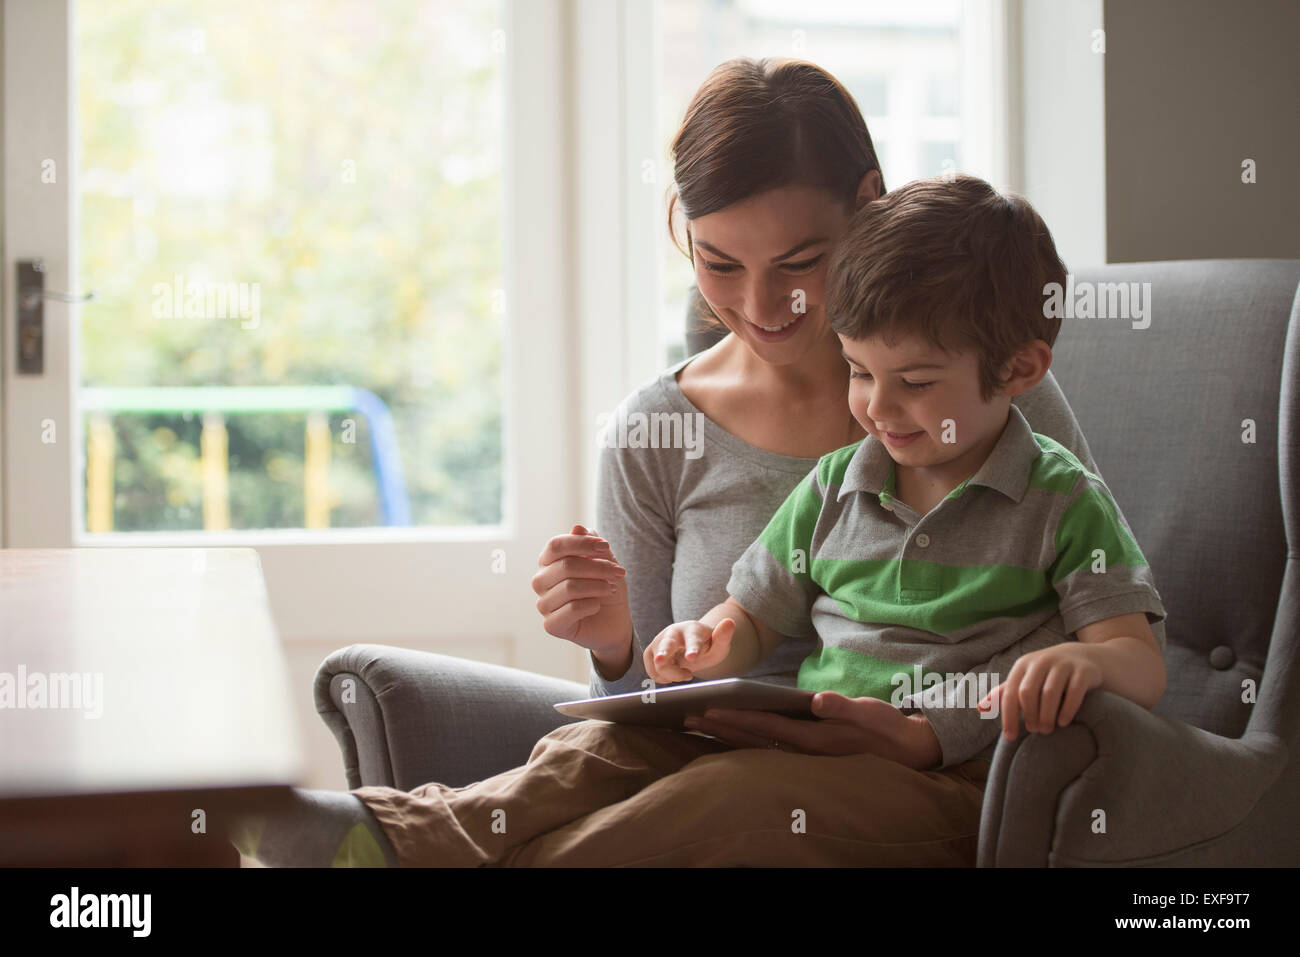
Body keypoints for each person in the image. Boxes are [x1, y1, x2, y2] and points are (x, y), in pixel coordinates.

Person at [229, 57, 1146, 868]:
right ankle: (380, 838)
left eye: (801, 261)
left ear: (868, 207)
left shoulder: (986, 392)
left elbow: (1095, 624)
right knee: (593, 759)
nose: (764, 304)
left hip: (895, 779)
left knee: (716, 804)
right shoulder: (678, 439)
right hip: (726, 747)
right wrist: (625, 642)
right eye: (719, 263)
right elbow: (662, 680)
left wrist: (930, 726)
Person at [644, 174, 1167, 778]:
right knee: (581, 756)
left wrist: (1091, 664)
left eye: (915, 383)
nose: (878, 409)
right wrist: (702, 641)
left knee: (705, 810)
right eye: (859, 372)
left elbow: (1142, 664)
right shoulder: (832, 485)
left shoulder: (1063, 501)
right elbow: (753, 617)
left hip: (934, 785)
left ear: (1018, 368)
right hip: (800, 751)